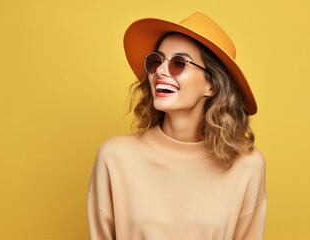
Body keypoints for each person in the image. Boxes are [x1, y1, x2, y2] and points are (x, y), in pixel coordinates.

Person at [88, 12, 267, 240]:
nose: (160, 71)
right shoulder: (115, 158)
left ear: (211, 85)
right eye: (156, 61)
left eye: (178, 63)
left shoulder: (247, 167)